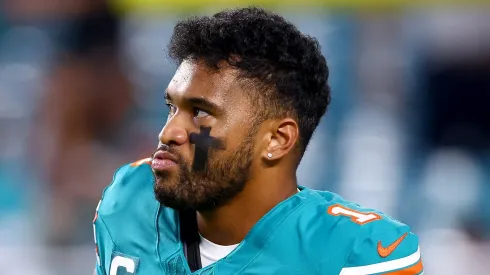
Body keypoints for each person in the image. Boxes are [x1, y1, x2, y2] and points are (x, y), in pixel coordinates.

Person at [93, 7, 423, 275]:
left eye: (201, 113)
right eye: (172, 108)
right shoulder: (129, 197)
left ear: (278, 140)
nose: (168, 133)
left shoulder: (355, 251)